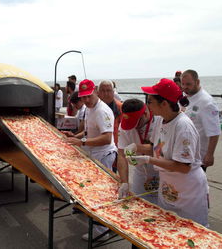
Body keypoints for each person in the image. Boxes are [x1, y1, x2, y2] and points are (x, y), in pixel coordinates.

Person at [124, 78, 208, 227]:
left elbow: (183, 166)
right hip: (168, 185)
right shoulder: (160, 121)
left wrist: (148, 160)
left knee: (190, 231)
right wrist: (136, 147)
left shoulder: (183, 126)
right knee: (166, 227)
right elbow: (156, 148)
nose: (147, 105)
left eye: (150, 101)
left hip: (186, 189)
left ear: (164, 103)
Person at [64, 79, 117, 240]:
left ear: (96, 93)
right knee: (97, 192)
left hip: (105, 156)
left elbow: (107, 138)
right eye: (83, 97)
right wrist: (75, 136)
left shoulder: (102, 111)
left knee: (101, 194)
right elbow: (88, 132)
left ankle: (101, 231)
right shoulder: (89, 109)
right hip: (95, 155)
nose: (86, 100)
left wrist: (82, 142)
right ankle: (107, 226)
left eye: (89, 96)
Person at [117, 99, 162, 204]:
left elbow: (160, 150)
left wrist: (138, 147)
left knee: (162, 211)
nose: (133, 126)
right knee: (138, 204)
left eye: (136, 123)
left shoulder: (159, 121)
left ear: (145, 113)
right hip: (140, 171)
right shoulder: (124, 124)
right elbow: (121, 155)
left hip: (160, 172)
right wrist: (124, 182)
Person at [180, 70, 220, 171]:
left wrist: (210, 155)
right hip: (184, 152)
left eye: (188, 84)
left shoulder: (206, 102)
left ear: (197, 82)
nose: (184, 87)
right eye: (183, 84)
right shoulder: (186, 97)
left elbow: (214, 132)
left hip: (198, 155)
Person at [98, 80, 123, 146]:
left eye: (108, 91)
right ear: (98, 93)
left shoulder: (120, 108)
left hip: (116, 146)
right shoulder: (93, 108)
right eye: (103, 91)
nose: (106, 94)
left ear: (113, 92)